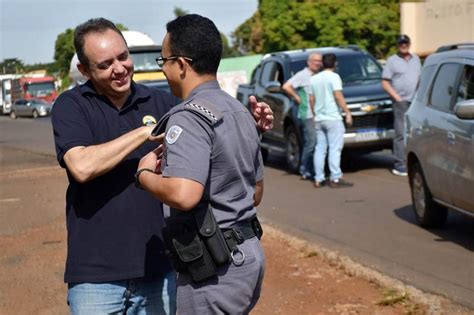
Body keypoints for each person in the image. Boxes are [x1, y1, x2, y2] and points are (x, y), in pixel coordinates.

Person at [51, 18, 273, 314]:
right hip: (97, 274)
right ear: (84, 70)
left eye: (123, 57)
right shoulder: (71, 106)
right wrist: (144, 133)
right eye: (105, 64)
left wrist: (248, 128)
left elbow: (213, 144)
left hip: (163, 266)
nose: (119, 68)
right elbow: (80, 166)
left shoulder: (164, 102)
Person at [136, 14, 265, 314]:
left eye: (163, 61)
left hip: (216, 268)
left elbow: (184, 194)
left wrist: (143, 174)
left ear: (181, 64)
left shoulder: (188, 117)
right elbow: (255, 193)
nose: (164, 69)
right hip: (247, 257)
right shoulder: (239, 110)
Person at [309, 53, 353, 188]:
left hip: (320, 118)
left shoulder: (314, 79)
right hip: (333, 117)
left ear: (322, 63)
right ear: (335, 64)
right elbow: (338, 95)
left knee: (320, 148)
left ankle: (318, 178)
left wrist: (315, 113)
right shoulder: (334, 77)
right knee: (335, 148)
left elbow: (311, 99)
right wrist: (347, 112)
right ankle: (335, 178)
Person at [382, 34, 421, 176]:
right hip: (401, 102)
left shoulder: (416, 59)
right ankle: (399, 164)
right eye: (401, 44)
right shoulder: (392, 61)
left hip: (415, 101)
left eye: (405, 43)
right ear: (397, 45)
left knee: (414, 133)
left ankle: (413, 162)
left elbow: (419, 79)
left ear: (409, 44)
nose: (403, 45)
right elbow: (385, 82)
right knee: (400, 133)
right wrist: (397, 98)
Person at [282, 52, 322, 180]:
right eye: (315, 60)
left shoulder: (319, 75)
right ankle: (304, 169)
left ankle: (314, 170)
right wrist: (297, 98)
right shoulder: (303, 75)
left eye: (320, 61)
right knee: (311, 142)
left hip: (320, 114)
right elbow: (286, 86)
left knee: (317, 143)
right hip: (307, 114)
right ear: (309, 62)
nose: (318, 63)